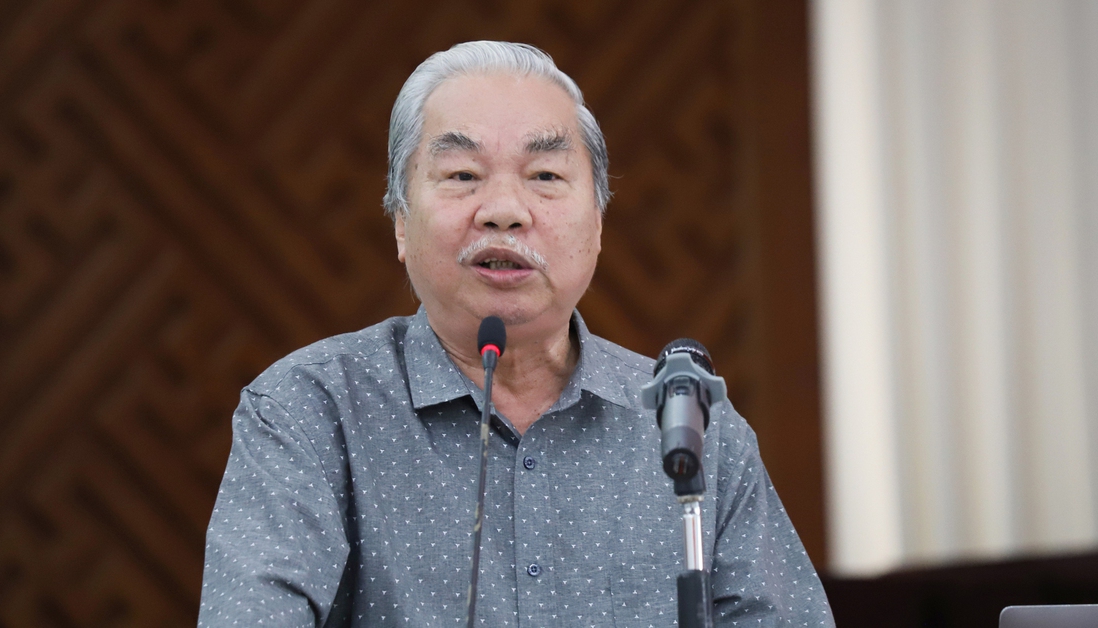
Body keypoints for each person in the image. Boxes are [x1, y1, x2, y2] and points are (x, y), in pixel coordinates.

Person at [198, 41, 834, 627]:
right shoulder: (309, 411)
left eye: (545, 176)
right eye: (462, 175)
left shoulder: (690, 425)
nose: (504, 210)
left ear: (598, 224)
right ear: (400, 222)